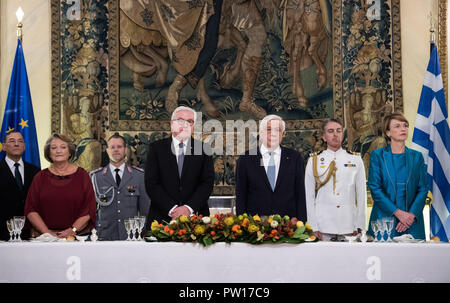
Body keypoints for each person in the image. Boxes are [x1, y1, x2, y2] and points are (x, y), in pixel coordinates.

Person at [144, 106, 214, 227]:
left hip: (196, 220)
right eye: (181, 120)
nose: (185, 125)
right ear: (172, 124)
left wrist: (187, 208)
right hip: (162, 219)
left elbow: (207, 184)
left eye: (190, 121)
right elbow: (151, 184)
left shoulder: (204, 149)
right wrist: (173, 209)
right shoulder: (156, 148)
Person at [367, 112, 428, 240]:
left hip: (412, 221)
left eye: (405, 126)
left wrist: (410, 215)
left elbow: (423, 189)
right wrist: (399, 213)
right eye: (397, 126)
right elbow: (375, 189)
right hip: (385, 220)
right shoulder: (377, 156)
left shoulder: (417, 157)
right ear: (388, 132)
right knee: (383, 258)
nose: (403, 129)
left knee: (413, 259)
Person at [304, 119, 367, 241]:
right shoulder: (314, 160)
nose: (335, 134)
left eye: (338, 131)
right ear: (324, 137)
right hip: (323, 224)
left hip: (349, 224)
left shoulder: (356, 159)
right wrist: (313, 226)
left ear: (342, 135)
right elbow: (309, 195)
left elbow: (361, 195)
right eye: (330, 131)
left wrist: (360, 225)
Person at [235, 115, 307, 221]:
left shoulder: (294, 158)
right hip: (255, 226)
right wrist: (242, 223)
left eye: (277, 130)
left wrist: (301, 222)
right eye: (269, 129)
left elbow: (300, 193)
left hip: (287, 226)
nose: (273, 134)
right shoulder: (245, 159)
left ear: (283, 134)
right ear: (261, 132)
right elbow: (241, 196)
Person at [24, 133, 96, 238]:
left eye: (63, 147)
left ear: (70, 152)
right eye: (54, 148)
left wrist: (73, 229)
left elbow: (90, 208)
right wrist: (47, 232)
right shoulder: (40, 177)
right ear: (49, 153)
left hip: (76, 237)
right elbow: (31, 209)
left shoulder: (82, 175)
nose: (58, 151)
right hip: (44, 238)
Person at [90, 133, 150, 240]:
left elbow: (145, 210)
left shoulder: (139, 176)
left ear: (125, 150)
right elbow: (91, 210)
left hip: (131, 236)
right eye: (112, 147)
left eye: (119, 147)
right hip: (104, 235)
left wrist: (142, 232)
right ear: (107, 150)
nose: (116, 150)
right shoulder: (96, 177)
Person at [0, 131, 40, 240]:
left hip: (30, 233)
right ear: (3, 146)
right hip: (2, 233)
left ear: (24, 146)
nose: (16, 144)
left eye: (20, 141)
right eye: (12, 141)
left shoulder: (35, 171)